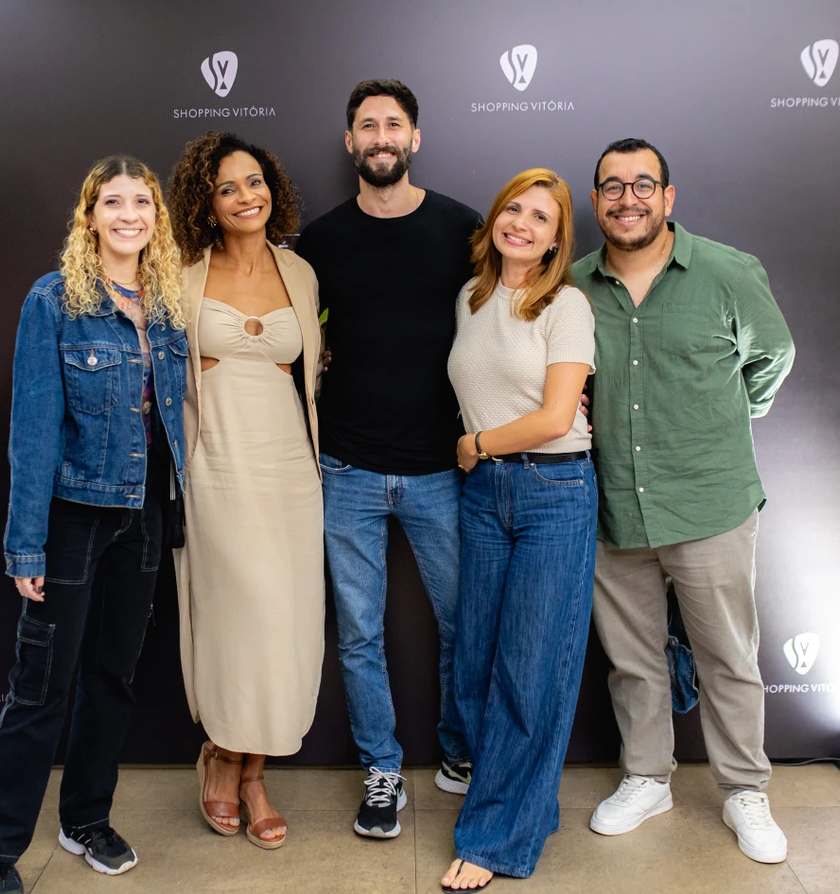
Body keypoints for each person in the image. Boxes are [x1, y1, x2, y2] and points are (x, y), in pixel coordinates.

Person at [571, 138, 795, 864]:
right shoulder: (573, 286)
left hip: (710, 500)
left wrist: (723, 419)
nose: (626, 198)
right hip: (614, 508)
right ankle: (647, 776)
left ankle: (743, 788)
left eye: (643, 185)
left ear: (669, 197)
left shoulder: (729, 273)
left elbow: (773, 357)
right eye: (611, 186)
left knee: (727, 654)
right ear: (596, 199)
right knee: (633, 660)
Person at [0, 155, 187, 894]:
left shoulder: (165, 302)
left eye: (142, 203)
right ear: (89, 215)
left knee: (113, 678)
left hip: (144, 514)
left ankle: (85, 817)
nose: (130, 215)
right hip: (70, 518)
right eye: (114, 202)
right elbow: (32, 431)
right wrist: (25, 540)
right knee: (41, 687)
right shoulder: (54, 300)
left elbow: (171, 420)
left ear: (157, 217)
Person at [295, 79, 481, 838]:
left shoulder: (463, 227)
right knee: (360, 633)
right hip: (348, 468)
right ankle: (381, 769)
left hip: (443, 467)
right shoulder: (321, 242)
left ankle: (461, 752)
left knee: (465, 621)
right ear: (350, 142)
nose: (380, 137)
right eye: (367, 125)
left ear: (414, 137)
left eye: (393, 124)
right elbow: (299, 336)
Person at [166, 132, 323, 850]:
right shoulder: (183, 275)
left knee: (284, 618)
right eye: (227, 187)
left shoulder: (301, 273)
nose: (245, 196)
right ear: (207, 200)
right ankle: (225, 754)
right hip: (217, 464)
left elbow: (310, 371)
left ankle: (252, 769)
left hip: (291, 468)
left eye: (253, 181)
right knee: (240, 614)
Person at [440, 168, 596, 889]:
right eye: (514, 209)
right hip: (484, 498)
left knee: (529, 671)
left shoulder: (565, 305)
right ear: (496, 217)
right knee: (474, 661)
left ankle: (494, 840)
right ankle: (525, 801)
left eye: (541, 217)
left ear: (558, 239)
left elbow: (557, 417)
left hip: (551, 489)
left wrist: (475, 445)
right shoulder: (470, 299)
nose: (523, 224)